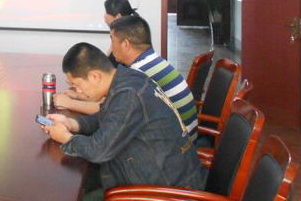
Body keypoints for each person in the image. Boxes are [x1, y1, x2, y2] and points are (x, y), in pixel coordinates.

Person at [42, 42, 205, 201]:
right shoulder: (128, 78)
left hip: (169, 192)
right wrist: (72, 123)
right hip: (156, 179)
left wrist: (66, 138)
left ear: (94, 76)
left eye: (76, 85)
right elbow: (107, 117)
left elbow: (98, 151)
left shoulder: (129, 94)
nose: (78, 91)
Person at [108, 15, 198, 141]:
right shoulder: (153, 60)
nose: (111, 47)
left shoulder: (138, 73)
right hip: (187, 137)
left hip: (177, 144)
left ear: (126, 44)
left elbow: (116, 113)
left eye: (112, 41)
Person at [54, 0, 139, 113]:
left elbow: (108, 109)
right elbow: (108, 100)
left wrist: (70, 103)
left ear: (118, 16)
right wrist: (83, 95)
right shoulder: (127, 64)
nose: (104, 16)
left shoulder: (132, 78)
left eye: (107, 12)